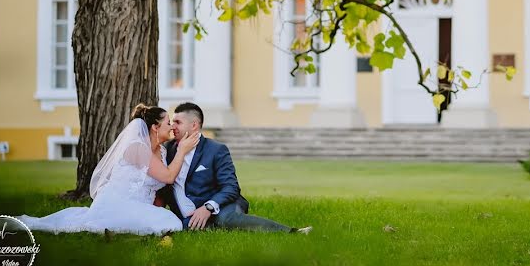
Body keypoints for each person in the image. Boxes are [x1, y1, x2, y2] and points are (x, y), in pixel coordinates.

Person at [17, 104, 200, 235]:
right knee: (170, 222)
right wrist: (183, 150)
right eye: (168, 123)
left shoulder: (161, 150)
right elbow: (168, 177)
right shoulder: (137, 148)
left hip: (139, 205)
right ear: (154, 127)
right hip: (119, 204)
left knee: (168, 221)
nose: (171, 127)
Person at [158, 102, 311, 234]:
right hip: (188, 214)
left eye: (178, 122)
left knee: (226, 219)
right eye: (172, 122)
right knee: (182, 227)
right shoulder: (167, 150)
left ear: (194, 125)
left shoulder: (216, 150)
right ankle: (209, 226)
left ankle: (291, 232)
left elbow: (231, 187)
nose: (172, 126)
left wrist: (208, 207)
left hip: (221, 204)